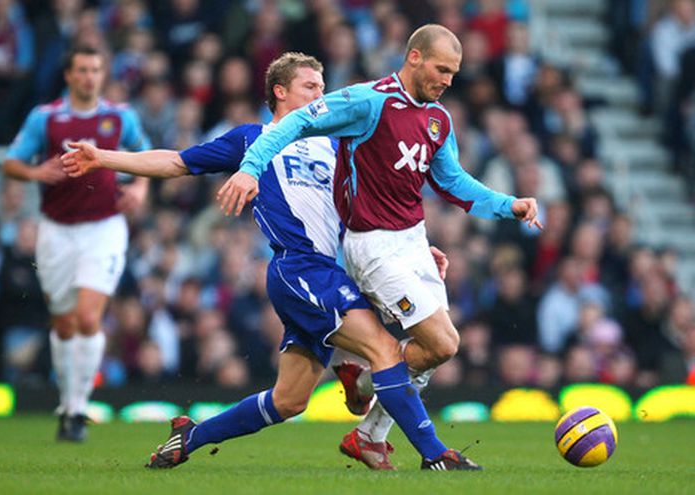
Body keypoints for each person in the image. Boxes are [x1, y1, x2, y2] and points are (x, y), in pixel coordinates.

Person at [61, 52, 483, 472]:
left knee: (289, 400)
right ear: (280, 92)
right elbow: (176, 161)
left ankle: (192, 436)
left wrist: (409, 248)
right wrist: (104, 159)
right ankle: (432, 453)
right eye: (311, 87)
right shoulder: (253, 141)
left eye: (323, 86)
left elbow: (372, 205)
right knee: (385, 348)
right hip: (301, 269)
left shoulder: (339, 142)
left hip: (335, 271)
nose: (322, 94)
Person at [217, 24, 542, 469]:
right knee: (441, 342)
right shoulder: (368, 101)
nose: (448, 81)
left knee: (432, 352)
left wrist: (509, 205)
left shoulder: (438, 119)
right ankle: (427, 450)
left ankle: (369, 429)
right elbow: (298, 120)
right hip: (371, 245)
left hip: (412, 241)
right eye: (441, 69)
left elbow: (451, 182)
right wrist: (251, 166)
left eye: (454, 73)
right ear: (414, 58)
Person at [3, 45, 150, 442]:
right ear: (68, 75)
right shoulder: (46, 118)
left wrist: (138, 188)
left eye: (96, 69)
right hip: (56, 228)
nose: (89, 76)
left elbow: (146, 155)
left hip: (104, 226)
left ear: (103, 75)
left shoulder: (119, 117)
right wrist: (36, 172)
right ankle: (67, 404)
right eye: (82, 70)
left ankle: (78, 409)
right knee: (64, 323)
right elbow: (12, 162)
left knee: (88, 317)